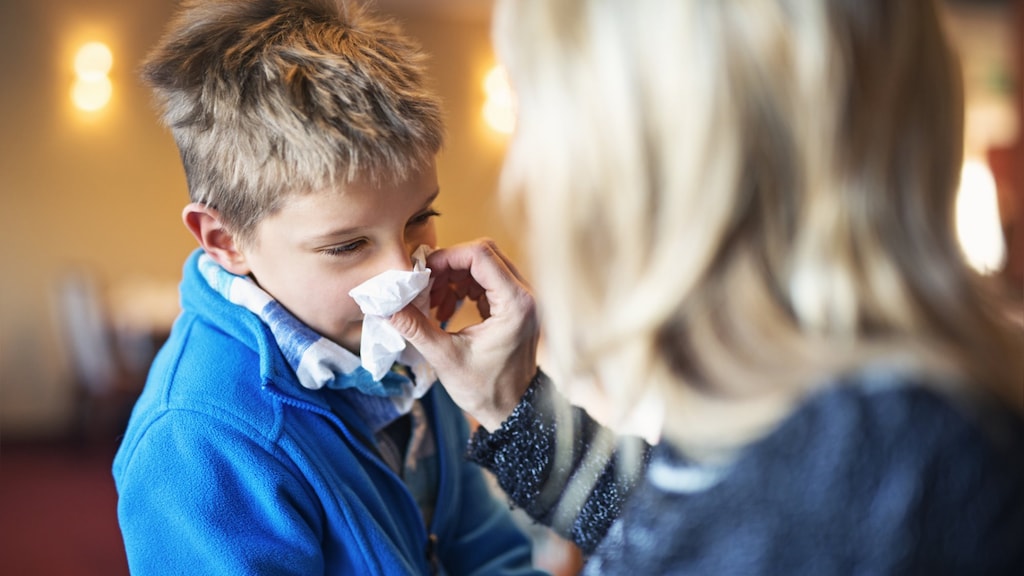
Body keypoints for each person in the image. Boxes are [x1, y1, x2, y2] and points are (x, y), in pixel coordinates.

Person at [388, 0, 1024, 573]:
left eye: (543, 121)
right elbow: (675, 524)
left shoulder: (899, 479)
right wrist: (510, 402)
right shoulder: (807, 404)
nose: (524, 175)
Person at [111, 1, 547, 574]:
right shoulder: (199, 440)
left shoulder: (412, 354)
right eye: (346, 245)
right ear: (225, 240)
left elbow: (491, 552)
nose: (404, 277)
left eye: (420, 217)